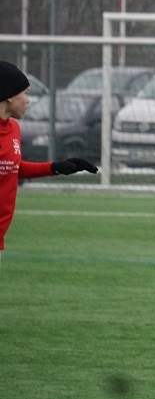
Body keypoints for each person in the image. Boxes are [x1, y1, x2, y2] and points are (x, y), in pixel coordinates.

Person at [0, 60, 98, 266]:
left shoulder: (13, 129)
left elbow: (12, 168)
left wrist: (56, 167)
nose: (28, 100)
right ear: (9, 95)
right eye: (25, 93)